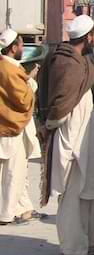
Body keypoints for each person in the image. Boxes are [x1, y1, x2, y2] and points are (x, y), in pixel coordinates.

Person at [39, 15, 94, 255]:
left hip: (84, 138)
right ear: (88, 35)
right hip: (71, 140)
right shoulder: (68, 63)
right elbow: (59, 106)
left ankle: (88, 244)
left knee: (88, 193)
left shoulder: (78, 60)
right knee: (72, 196)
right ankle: (72, 251)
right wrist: (52, 129)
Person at [0, 29, 44, 226]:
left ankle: (24, 209)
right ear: (12, 48)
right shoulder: (9, 70)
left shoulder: (9, 67)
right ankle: (7, 214)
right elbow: (23, 100)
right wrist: (32, 81)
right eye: (20, 45)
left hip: (11, 128)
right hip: (11, 130)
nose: (22, 49)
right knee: (12, 174)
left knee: (18, 173)